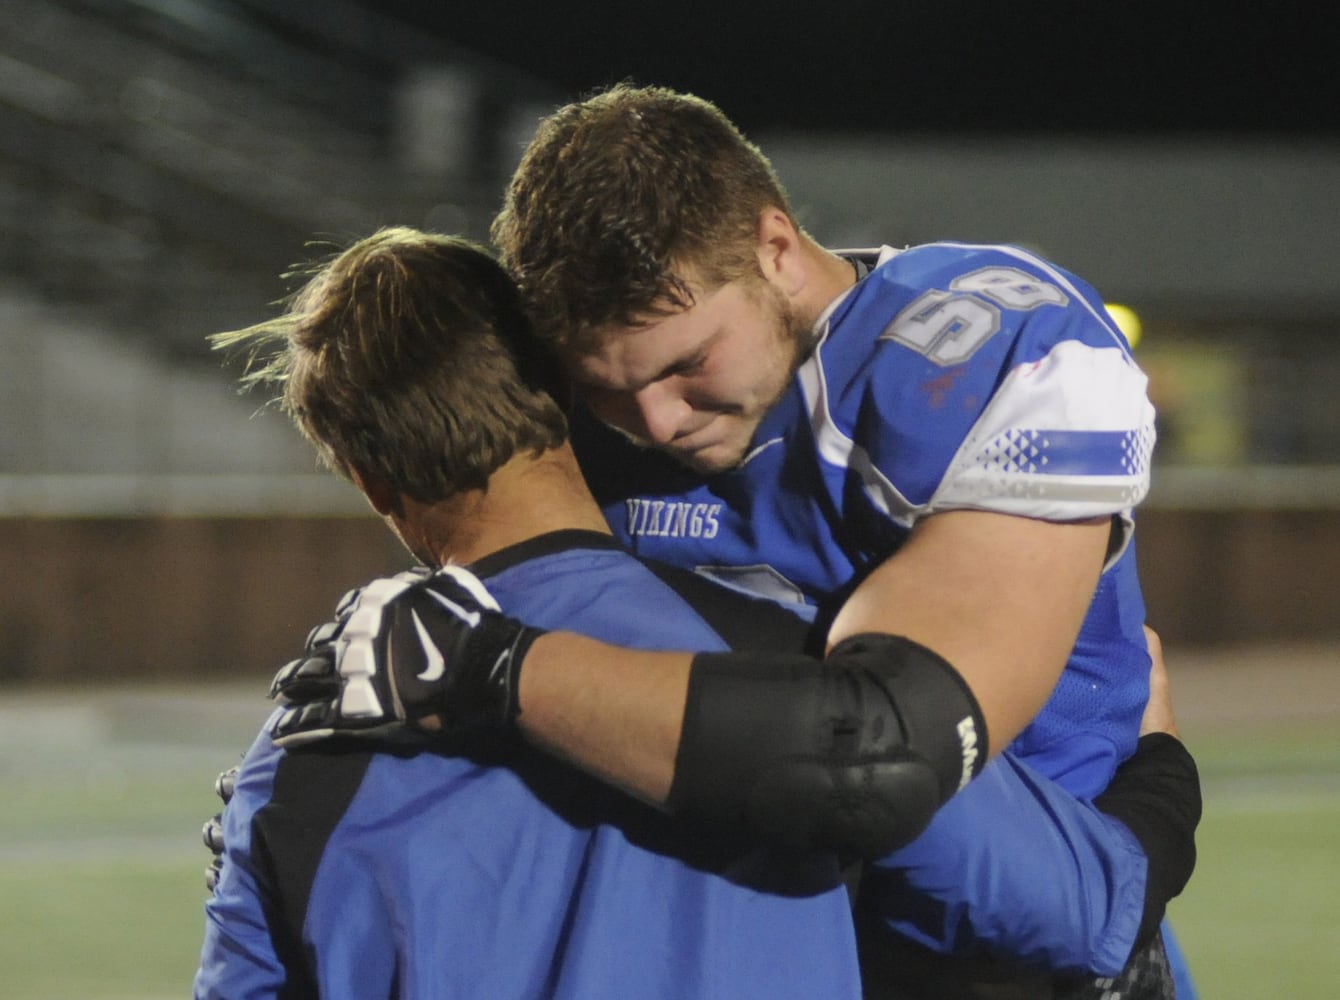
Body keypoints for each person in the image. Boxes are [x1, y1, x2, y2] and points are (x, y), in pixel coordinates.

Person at [234, 228, 1199, 998]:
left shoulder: (300, 756)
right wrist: (1160, 773)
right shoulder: (787, 672)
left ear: (367, 479)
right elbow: (1081, 911)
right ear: (570, 390)